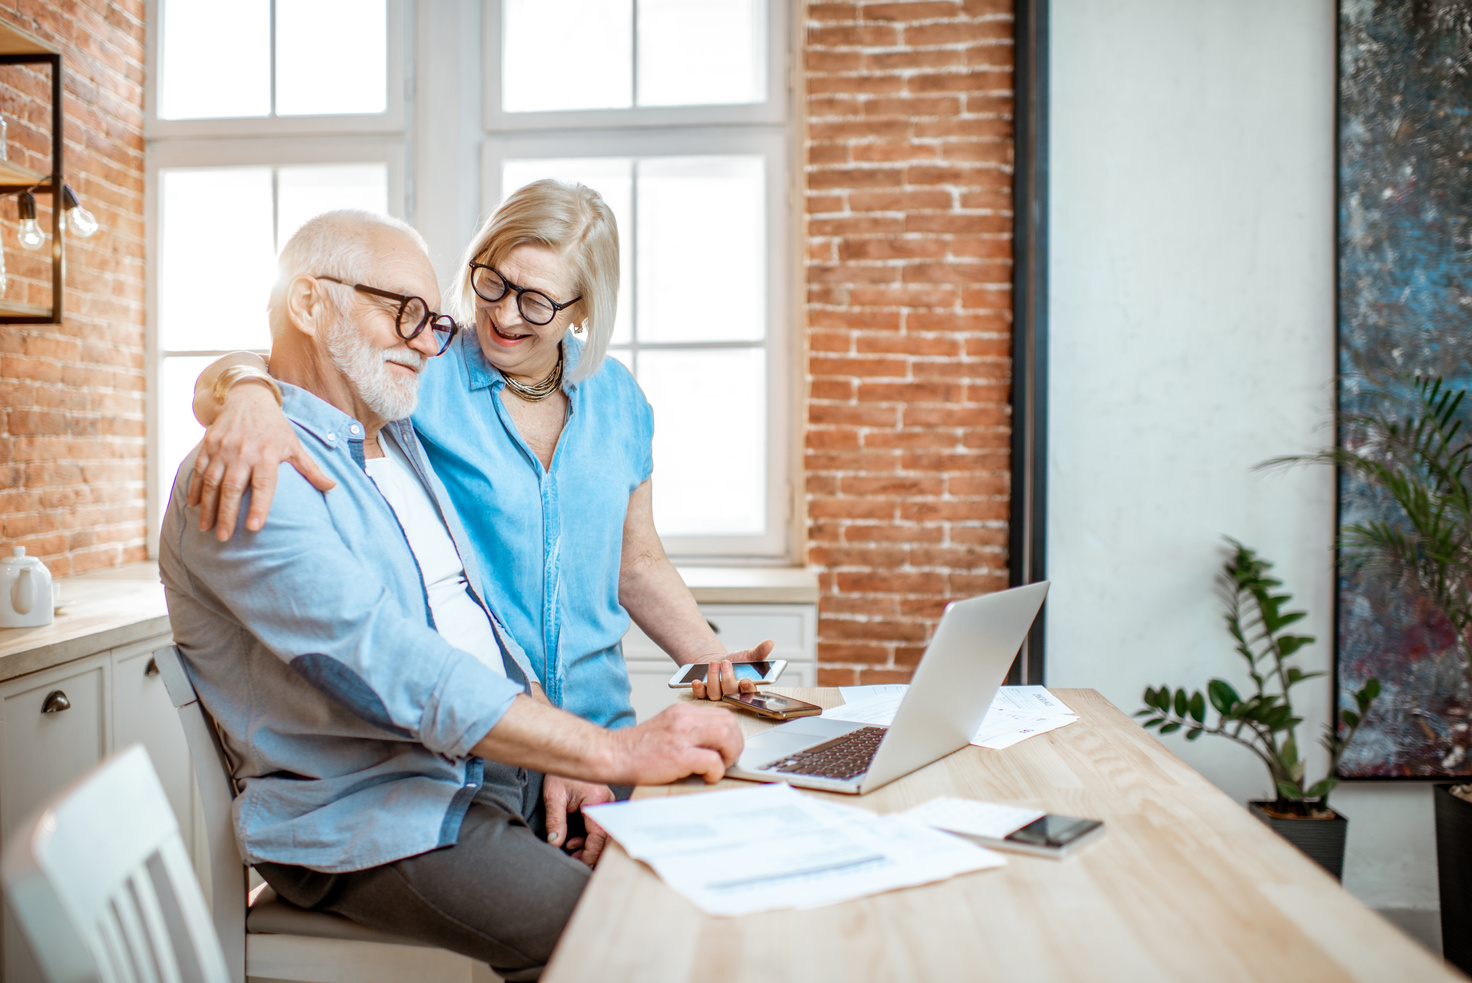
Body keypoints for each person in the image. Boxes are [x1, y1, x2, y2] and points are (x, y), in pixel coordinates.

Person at [159, 210, 744, 982]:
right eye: (403, 310)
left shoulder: (390, 437)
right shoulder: (251, 471)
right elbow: (387, 661)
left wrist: (564, 747)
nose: (428, 339)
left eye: (432, 319)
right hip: (382, 812)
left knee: (714, 862)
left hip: (484, 768)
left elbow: (477, 620)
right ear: (308, 302)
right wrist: (606, 747)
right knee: (634, 937)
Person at [191, 179, 769, 729]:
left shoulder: (618, 398)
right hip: (482, 732)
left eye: (537, 302)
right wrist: (247, 394)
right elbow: (287, 362)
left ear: (584, 310)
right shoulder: (423, 366)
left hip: (605, 725)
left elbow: (637, 564)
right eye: (494, 282)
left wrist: (716, 662)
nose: (505, 314)